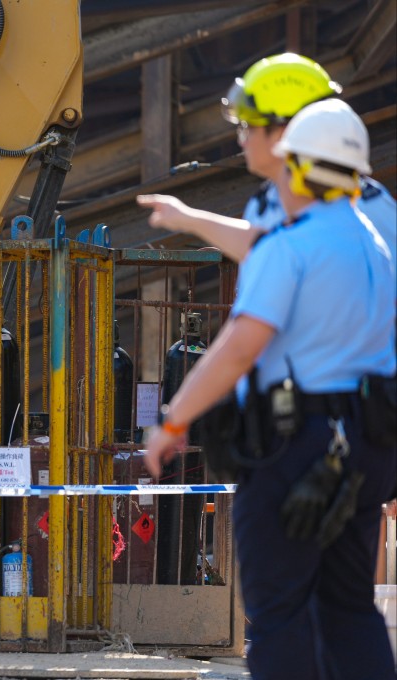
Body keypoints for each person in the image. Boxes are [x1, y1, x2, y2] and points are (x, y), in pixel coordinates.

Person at [140, 99, 396, 678]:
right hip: (368, 446)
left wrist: (175, 421)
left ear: (301, 168)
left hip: (295, 445)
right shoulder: (378, 247)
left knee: (278, 612)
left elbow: (237, 346)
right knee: (350, 607)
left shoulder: (292, 245)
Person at [139, 53, 396, 262]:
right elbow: (261, 246)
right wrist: (187, 218)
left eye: (249, 127)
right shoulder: (267, 201)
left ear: (285, 131)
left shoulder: (365, 207)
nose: (242, 140)